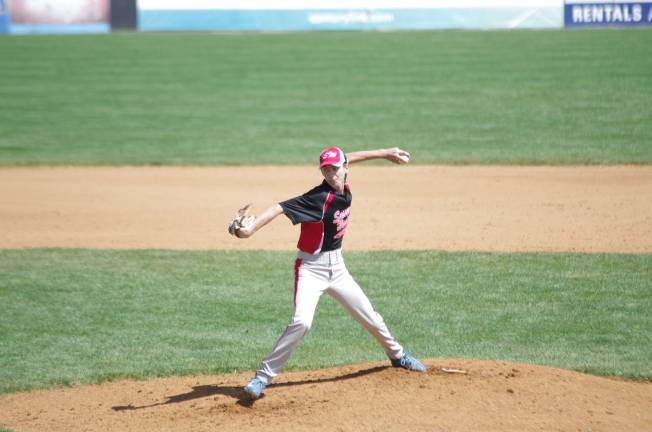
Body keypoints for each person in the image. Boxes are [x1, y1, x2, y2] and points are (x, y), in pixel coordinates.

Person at [231, 146, 427, 400]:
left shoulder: (343, 183)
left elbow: (351, 157)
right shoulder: (318, 198)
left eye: (335, 168)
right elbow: (280, 207)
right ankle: (262, 378)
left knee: (370, 316)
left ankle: (398, 356)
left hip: (338, 269)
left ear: (344, 168)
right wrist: (248, 230)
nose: (331, 173)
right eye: (326, 169)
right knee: (302, 322)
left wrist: (385, 153)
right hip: (311, 269)